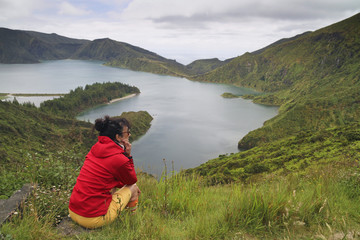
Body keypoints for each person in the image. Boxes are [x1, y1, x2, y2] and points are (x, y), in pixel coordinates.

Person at [68, 115, 141, 229]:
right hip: (92, 220)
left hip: (73, 212)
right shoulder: (118, 158)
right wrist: (128, 155)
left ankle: (121, 215)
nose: (129, 135)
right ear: (118, 137)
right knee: (133, 187)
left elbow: (109, 179)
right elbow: (131, 180)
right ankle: (132, 222)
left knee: (115, 186)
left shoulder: (95, 149)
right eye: (127, 133)